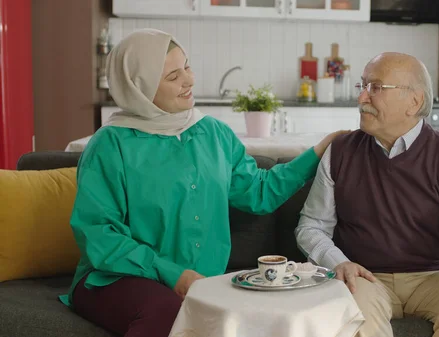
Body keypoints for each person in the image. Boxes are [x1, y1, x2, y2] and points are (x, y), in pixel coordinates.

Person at [58, 28, 347, 337]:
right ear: (139, 88)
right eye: (173, 77)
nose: (189, 80)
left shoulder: (214, 134)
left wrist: (318, 151)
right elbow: (100, 235)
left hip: (199, 283)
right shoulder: (110, 145)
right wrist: (173, 274)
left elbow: (259, 192)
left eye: (187, 66)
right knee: (168, 313)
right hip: (114, 278)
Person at [295, 52, 439, 337]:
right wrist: (338, 262)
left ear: (414, 101)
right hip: (366, 277)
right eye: (363, 86)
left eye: (376, 88)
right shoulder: (341, 151)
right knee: (349, 313)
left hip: (438, 277)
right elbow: (311, 226)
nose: (362, 98)